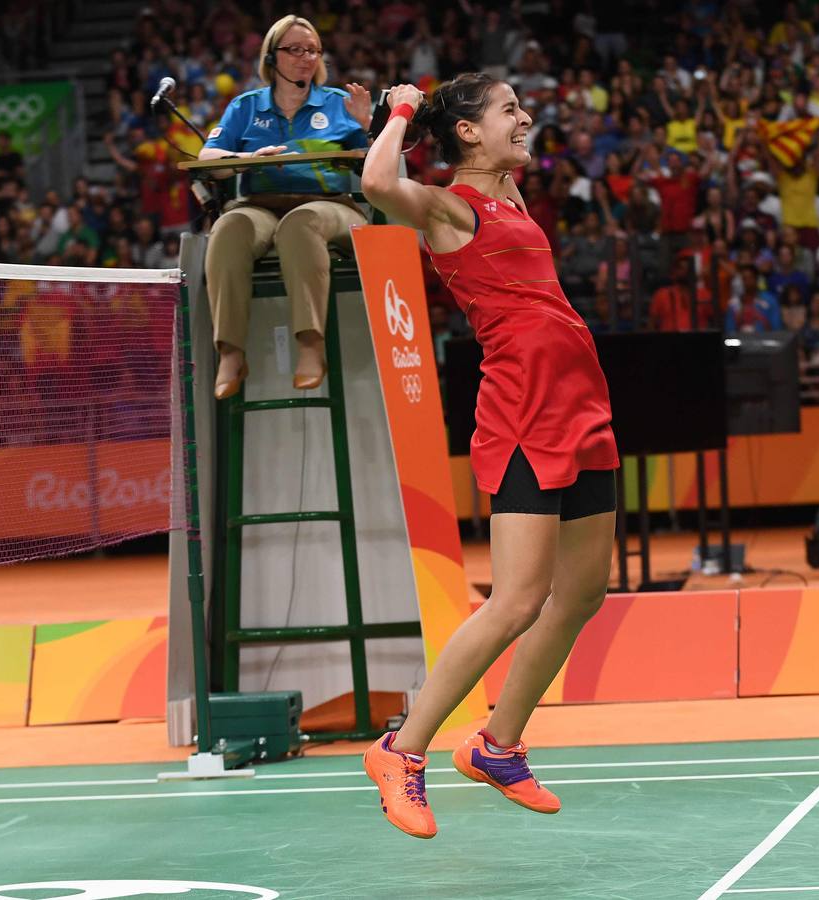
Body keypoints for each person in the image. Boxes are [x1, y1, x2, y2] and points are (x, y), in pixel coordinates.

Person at [359, 73, 620, 840]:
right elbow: (376, 180)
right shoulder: (448, 209)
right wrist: (401, 110)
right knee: (516, 600)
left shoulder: (510, 197)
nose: (526, 118)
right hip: (524, 414)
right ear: (467, 131)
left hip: (584, 407)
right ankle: (400, 751)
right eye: (509, 110)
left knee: (581, 595)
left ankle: (497, 746)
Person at [199, 14, 373, 399]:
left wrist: (368, 127)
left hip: (330, 207)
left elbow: (378, 165)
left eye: (312, 50)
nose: (305, 57)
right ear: (272, 57)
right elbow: (207, 157)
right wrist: (249, 157)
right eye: (295, 49)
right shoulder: (246, 107)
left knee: (299, 224)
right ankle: (230, 351)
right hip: (259, 205)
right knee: (228, 230)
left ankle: (311, 345)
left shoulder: (340, 104)